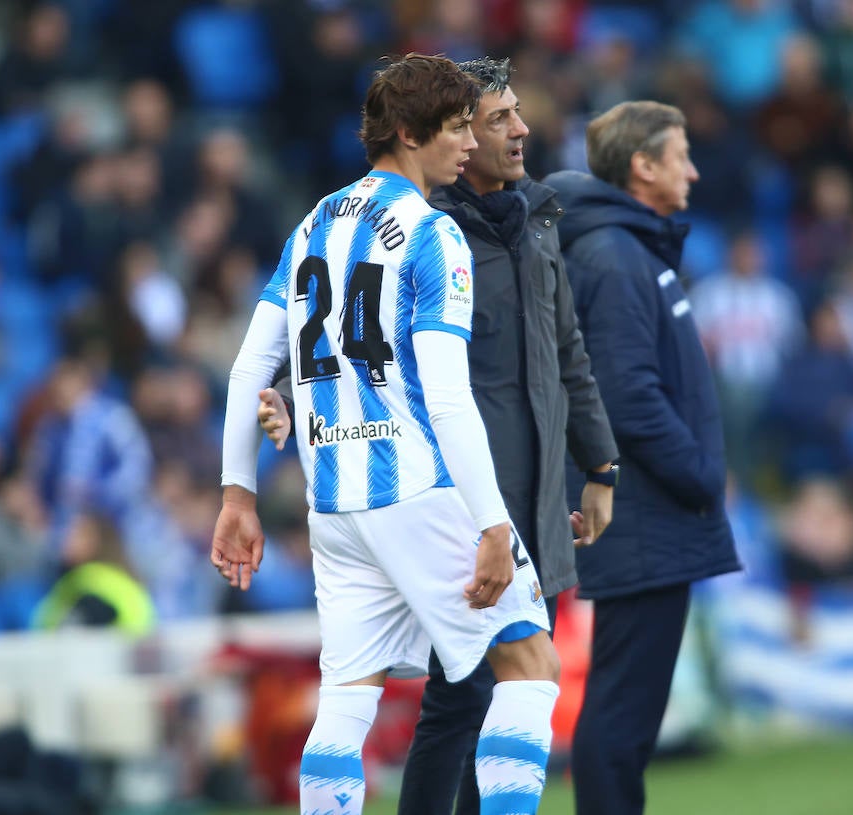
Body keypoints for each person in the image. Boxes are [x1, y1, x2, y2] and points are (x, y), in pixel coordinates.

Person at [256, 57, 620, 815]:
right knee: (476, 691)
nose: (520, 129)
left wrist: (598, 461)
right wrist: (287, 395)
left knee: (476, 680)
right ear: (446, 133)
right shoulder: (422, 229)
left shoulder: (536, 219)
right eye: (490, 121)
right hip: (443, 490)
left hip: (516, 487)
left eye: (516, 114)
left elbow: (566, 348)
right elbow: (370, 349)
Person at [544, 101, 742, 815]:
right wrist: (699, 474)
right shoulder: (617, 255)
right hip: (643, 512)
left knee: (628, 712)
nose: (692, 169)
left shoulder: (626, 248)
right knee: (623, 715)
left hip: (647, 512)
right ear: (643, 165)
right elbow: (628, 395)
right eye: (679, 154)